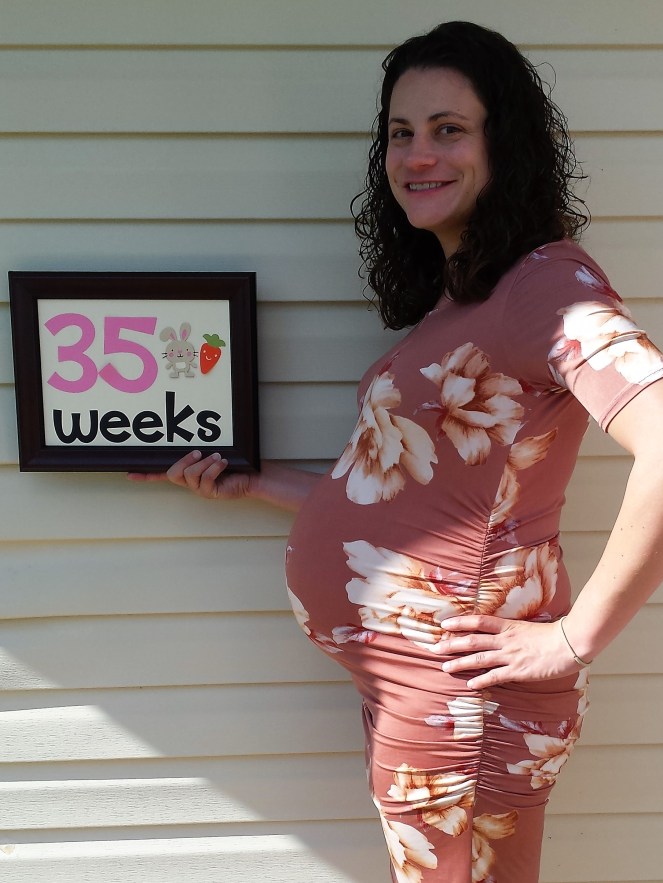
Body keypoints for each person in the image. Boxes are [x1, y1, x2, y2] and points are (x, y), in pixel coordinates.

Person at [130, 21, 663, 883]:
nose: (417, 154)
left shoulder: (546, 287)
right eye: (401, 132)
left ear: (504, 143)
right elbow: (418, 502)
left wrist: (572, 639)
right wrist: (259, 483)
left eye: (449, 129)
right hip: (421, 691)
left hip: (461, 700)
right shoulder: (469, 300)